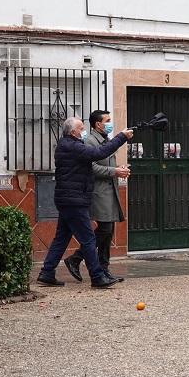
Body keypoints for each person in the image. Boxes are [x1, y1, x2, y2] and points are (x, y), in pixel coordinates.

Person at [37, 117, 133, 288]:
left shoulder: (65, 145)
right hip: (74, 200)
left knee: (61, 238)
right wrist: (122, 137)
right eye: (81, 128)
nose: (84, 130)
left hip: (67, 199)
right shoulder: (73, 147)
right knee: (88, 239)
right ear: (73, 132)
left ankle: (47, 272)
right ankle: (97, 277)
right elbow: (98, 153)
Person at [64, 110, 129, 283]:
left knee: (108, 231)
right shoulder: (90, 141)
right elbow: (90, 167)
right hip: (98, 192)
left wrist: (119, 169)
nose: (110, 123)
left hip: (109, 191)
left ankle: (103, 268)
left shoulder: (106, 140)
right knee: (105, 230)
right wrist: (114, 171)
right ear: (98, 124)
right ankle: (76, 259)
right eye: (107, 121)